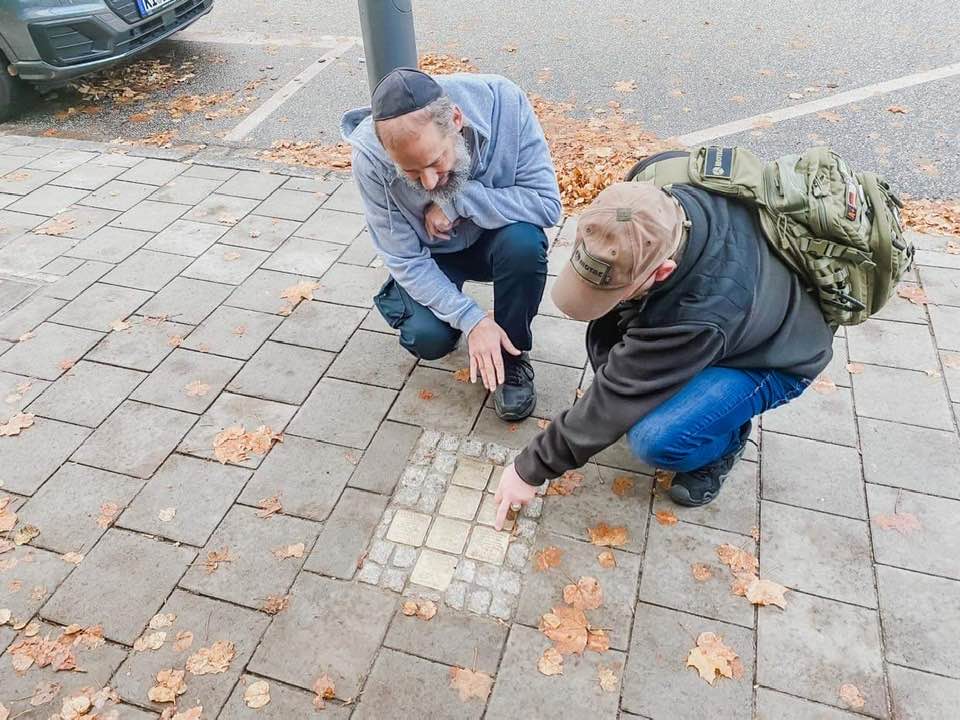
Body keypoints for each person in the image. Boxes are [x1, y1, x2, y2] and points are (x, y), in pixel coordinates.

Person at [493, 166, 835, 529]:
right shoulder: (649, 190)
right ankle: (703, 396)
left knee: (654, 440)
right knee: (615, 349)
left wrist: (528, 470)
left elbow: (619, 393)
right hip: (739, 318)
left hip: (775, 357)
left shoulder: (697, 313)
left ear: (663, 272)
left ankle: (727, 439)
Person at [341, 68, 562, 420]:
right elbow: (403, 257)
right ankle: (418, 302)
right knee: (427, 338)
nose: (429, 183)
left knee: (525, 243)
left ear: (457, 119)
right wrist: (471, 319)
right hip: (431, 253)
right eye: (411, 173)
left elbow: (547, 205)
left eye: (435, 162)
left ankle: (512, 354)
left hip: (495, 240)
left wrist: (455, 200)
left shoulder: (504, 102)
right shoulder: (369, 157)